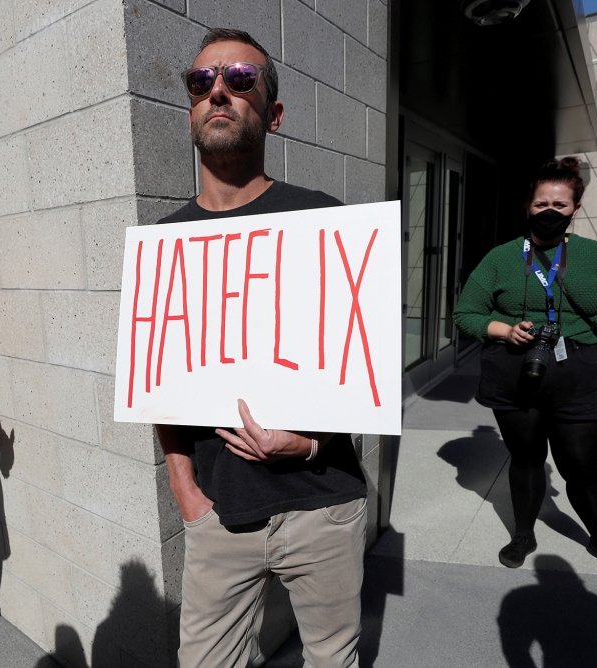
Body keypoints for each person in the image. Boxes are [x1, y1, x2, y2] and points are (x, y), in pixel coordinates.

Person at [156, 29, 369, 668]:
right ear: (192, 110)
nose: (218, 89)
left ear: (272, 114)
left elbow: (363, 369)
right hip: (218, 512)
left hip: (323, 503)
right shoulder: (165, 245)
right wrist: (185, 491)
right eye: (201, 82)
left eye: (240, 79)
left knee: (334, 660)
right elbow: (159, 378)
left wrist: (310, 442)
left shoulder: (325, 220)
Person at [453, 157, 597, 585]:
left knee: (582, 468)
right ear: (528, 207)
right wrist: (503, 328)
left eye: (560, 204)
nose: (549, 211)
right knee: (525, 460)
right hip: (514, 375)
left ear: (575, 208)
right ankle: (523, 535)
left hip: (579, 376)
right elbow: (466, 313)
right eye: (542, 203)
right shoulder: (502, 258)